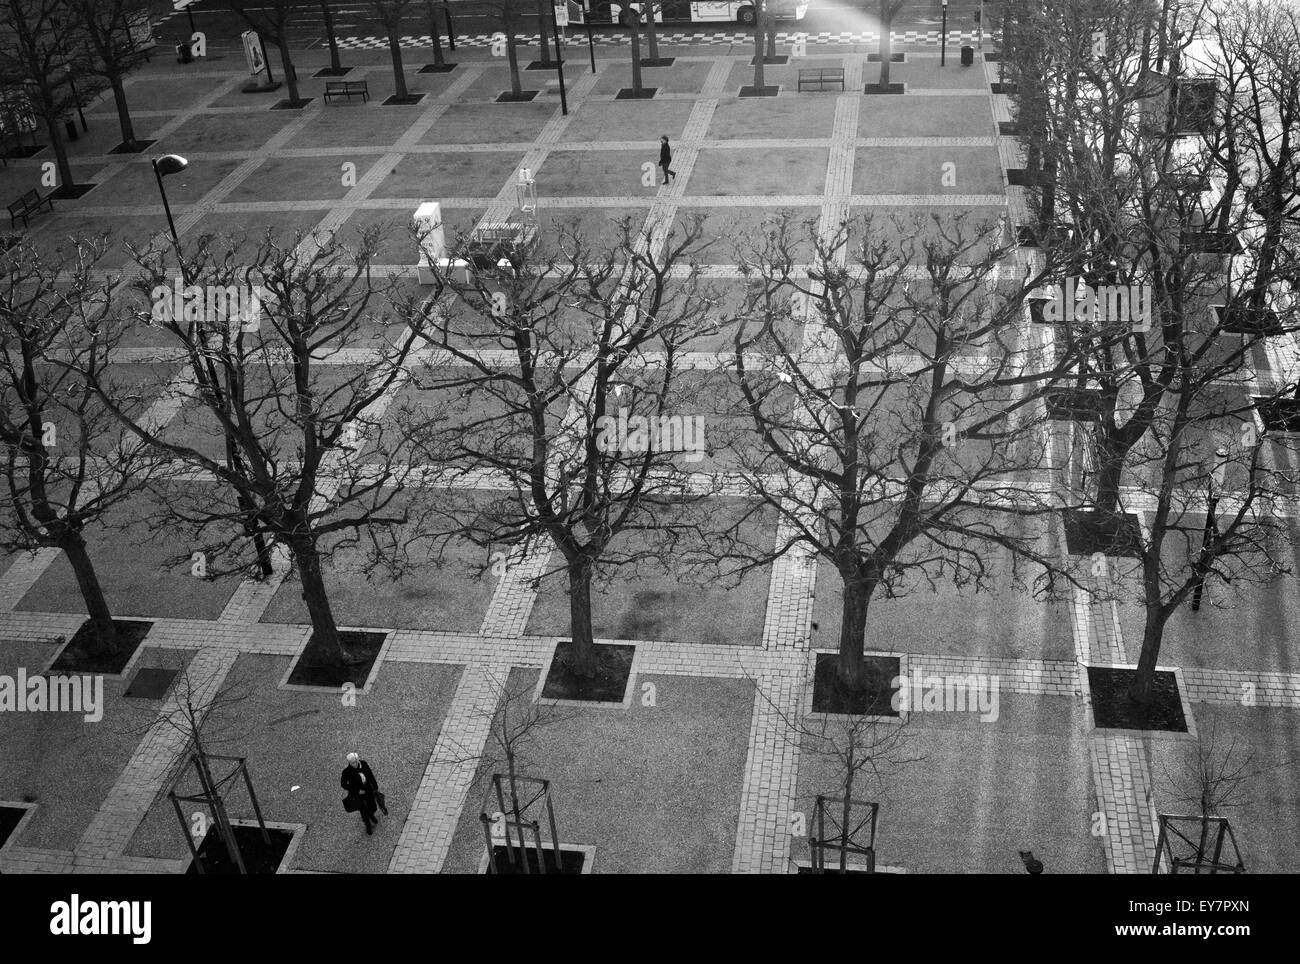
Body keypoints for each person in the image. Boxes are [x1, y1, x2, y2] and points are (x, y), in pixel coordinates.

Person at [340, 752, 381, 835]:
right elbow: (343, 784)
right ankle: (368, 825)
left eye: (356, 762)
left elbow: (370, 775)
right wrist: (356, 791)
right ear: (349, 763)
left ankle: (371, 815)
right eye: (352, 763)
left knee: (372, 806)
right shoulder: (346, 772)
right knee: (363, 810)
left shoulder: (364, 764)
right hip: (358, 793)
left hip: (368, 789)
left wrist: (375, 787)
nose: (355, 764)